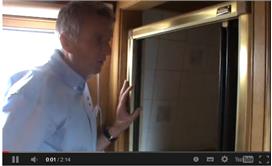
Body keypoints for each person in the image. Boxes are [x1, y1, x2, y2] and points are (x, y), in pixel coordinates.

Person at [2, 1, 141, 152]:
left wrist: (117, 127)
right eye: (98, 40)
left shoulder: (79, 86)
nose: (108, 50)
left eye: (107, 41)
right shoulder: (35, 92)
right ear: (66, 42)